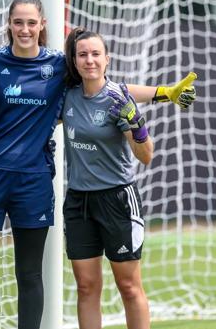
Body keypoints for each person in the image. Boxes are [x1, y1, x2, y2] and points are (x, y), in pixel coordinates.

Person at [0, 0, 195, 329]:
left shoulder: (57, 67)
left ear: (42, 26)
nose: (24, 29)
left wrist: (163, 93)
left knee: (33, 274)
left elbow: (113, 90)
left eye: (31, 22)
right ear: (8, 25)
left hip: (42, 184)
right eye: (18, 22)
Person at [62, 27, 153, 329]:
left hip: (117, 200)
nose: (90, 60)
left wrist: (138, 125)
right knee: (87, 287)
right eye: (83, 55)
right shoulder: (68, 98)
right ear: (74, 62)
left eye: (96, 54)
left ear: (107, 59)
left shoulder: (117, 99)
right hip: (78, 202)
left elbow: (145, 156)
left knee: (128, 286)